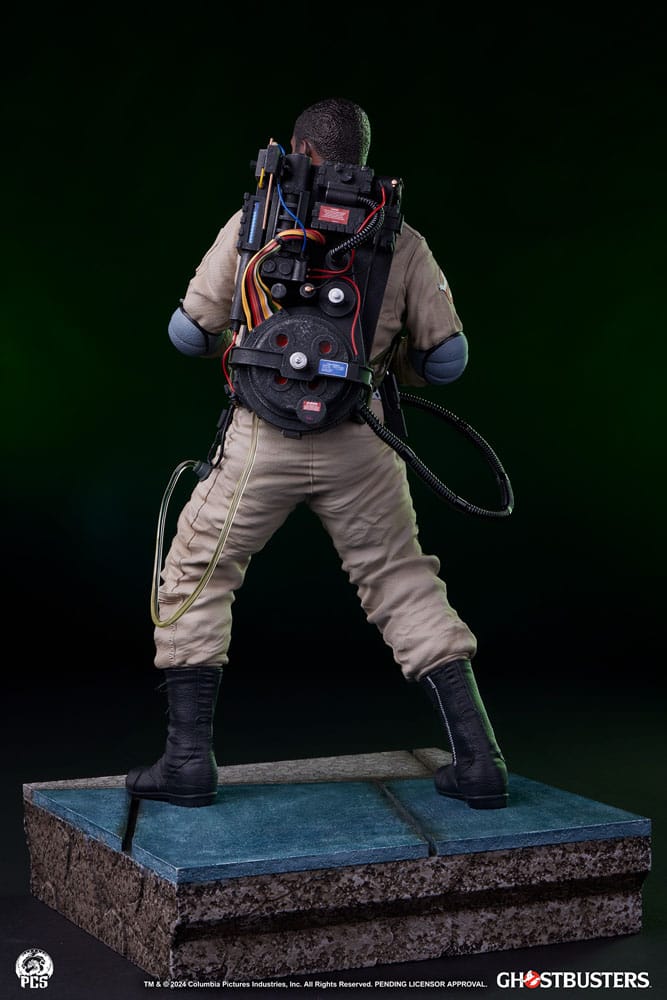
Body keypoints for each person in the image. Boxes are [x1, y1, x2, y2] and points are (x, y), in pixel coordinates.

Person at [125, 98, 508, 810]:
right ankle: (480, 761)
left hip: (259, 443)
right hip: (360, 438)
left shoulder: (256, 220)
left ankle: (187, 763)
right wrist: (384, 362)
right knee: (401, 582)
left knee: (196, 575)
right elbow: (447, 359)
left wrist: (243, 346)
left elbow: (189, 332)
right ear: (362, 158)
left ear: (297, 149)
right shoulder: (399, 237)